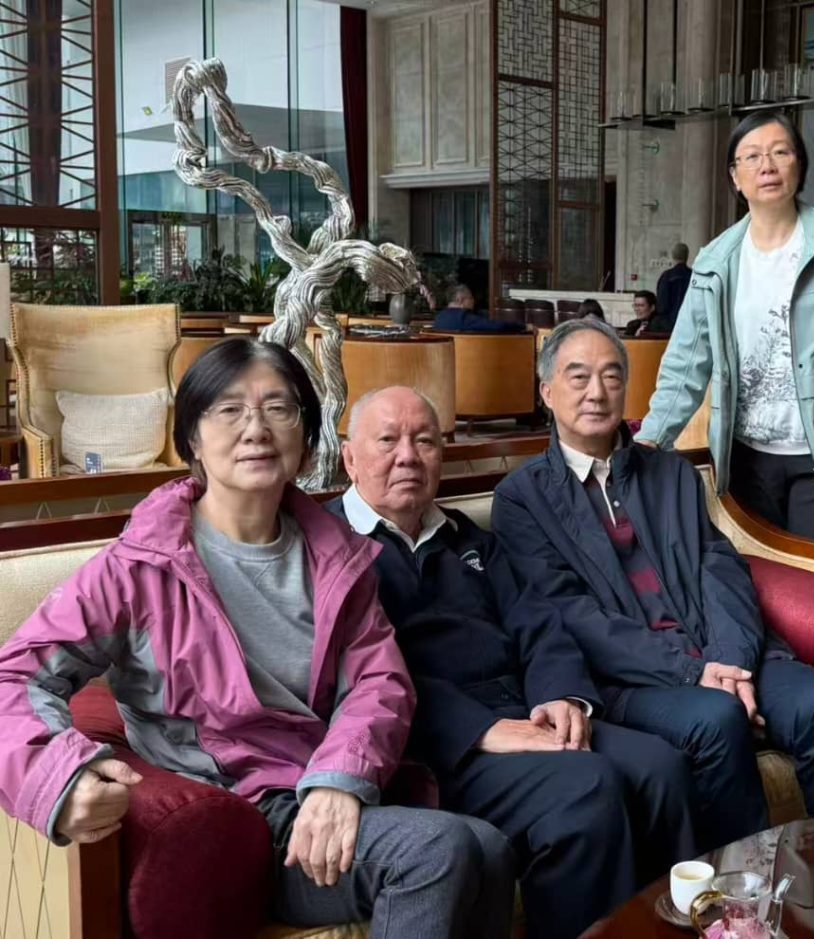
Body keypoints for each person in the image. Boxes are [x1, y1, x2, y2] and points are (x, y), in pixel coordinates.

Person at [0, 338, 514, 939]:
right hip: (238, 818)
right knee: (439, 850)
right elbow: (13, 679)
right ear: (192, 438)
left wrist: (338, 780)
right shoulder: (137, 570)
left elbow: (379, 684)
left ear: (307, 437)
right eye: (229, 409)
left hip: (321, 792)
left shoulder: (337, 557)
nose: (256, 429)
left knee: (491, 847)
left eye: (278, 408)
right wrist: (58, 778)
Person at [492, 318, 814, 850]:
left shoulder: (670, 473)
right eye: (578, 377)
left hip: (720, 654)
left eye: (611, 376)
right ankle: (741, 888)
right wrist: (694, 672)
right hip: (629, 680)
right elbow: (571, 614)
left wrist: (731, 662)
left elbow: (719, 569)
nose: (596, 392)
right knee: (716, 717)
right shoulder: (522, 498)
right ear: (547, 392)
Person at [327, 386, 697, 939]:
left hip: (527, 711)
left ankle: (670, 930)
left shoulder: (467, 537)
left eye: (425, 441)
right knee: (586, 786)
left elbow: (539, 625)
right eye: (388, 441)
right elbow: (365, 676)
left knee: (660, 767)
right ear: (350, 458)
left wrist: (561, 697)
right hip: (433, 743)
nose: (408, 456)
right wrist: (482, 730)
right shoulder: (331, 547)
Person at [636, 111, 814, 548]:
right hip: (745, 463)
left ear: (799, 165)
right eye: (752, 156)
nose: (767, 166)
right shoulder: (714, 261)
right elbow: (686, 362)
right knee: (755, 580)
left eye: (780, 152)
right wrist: (652, 437)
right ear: (735, 176)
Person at [433, 284, 526, 333]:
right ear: (460, 300)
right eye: (471, 298)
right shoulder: (464, 317)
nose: (473, 301)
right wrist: (523, 326)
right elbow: (497, 326)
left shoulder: (439, 318)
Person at [655, 242, 692, 332]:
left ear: (672, 256)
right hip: (689, 322)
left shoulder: (666, 276)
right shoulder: (693, 275)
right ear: (687, 256)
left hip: (669, 323)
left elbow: (662, 303)